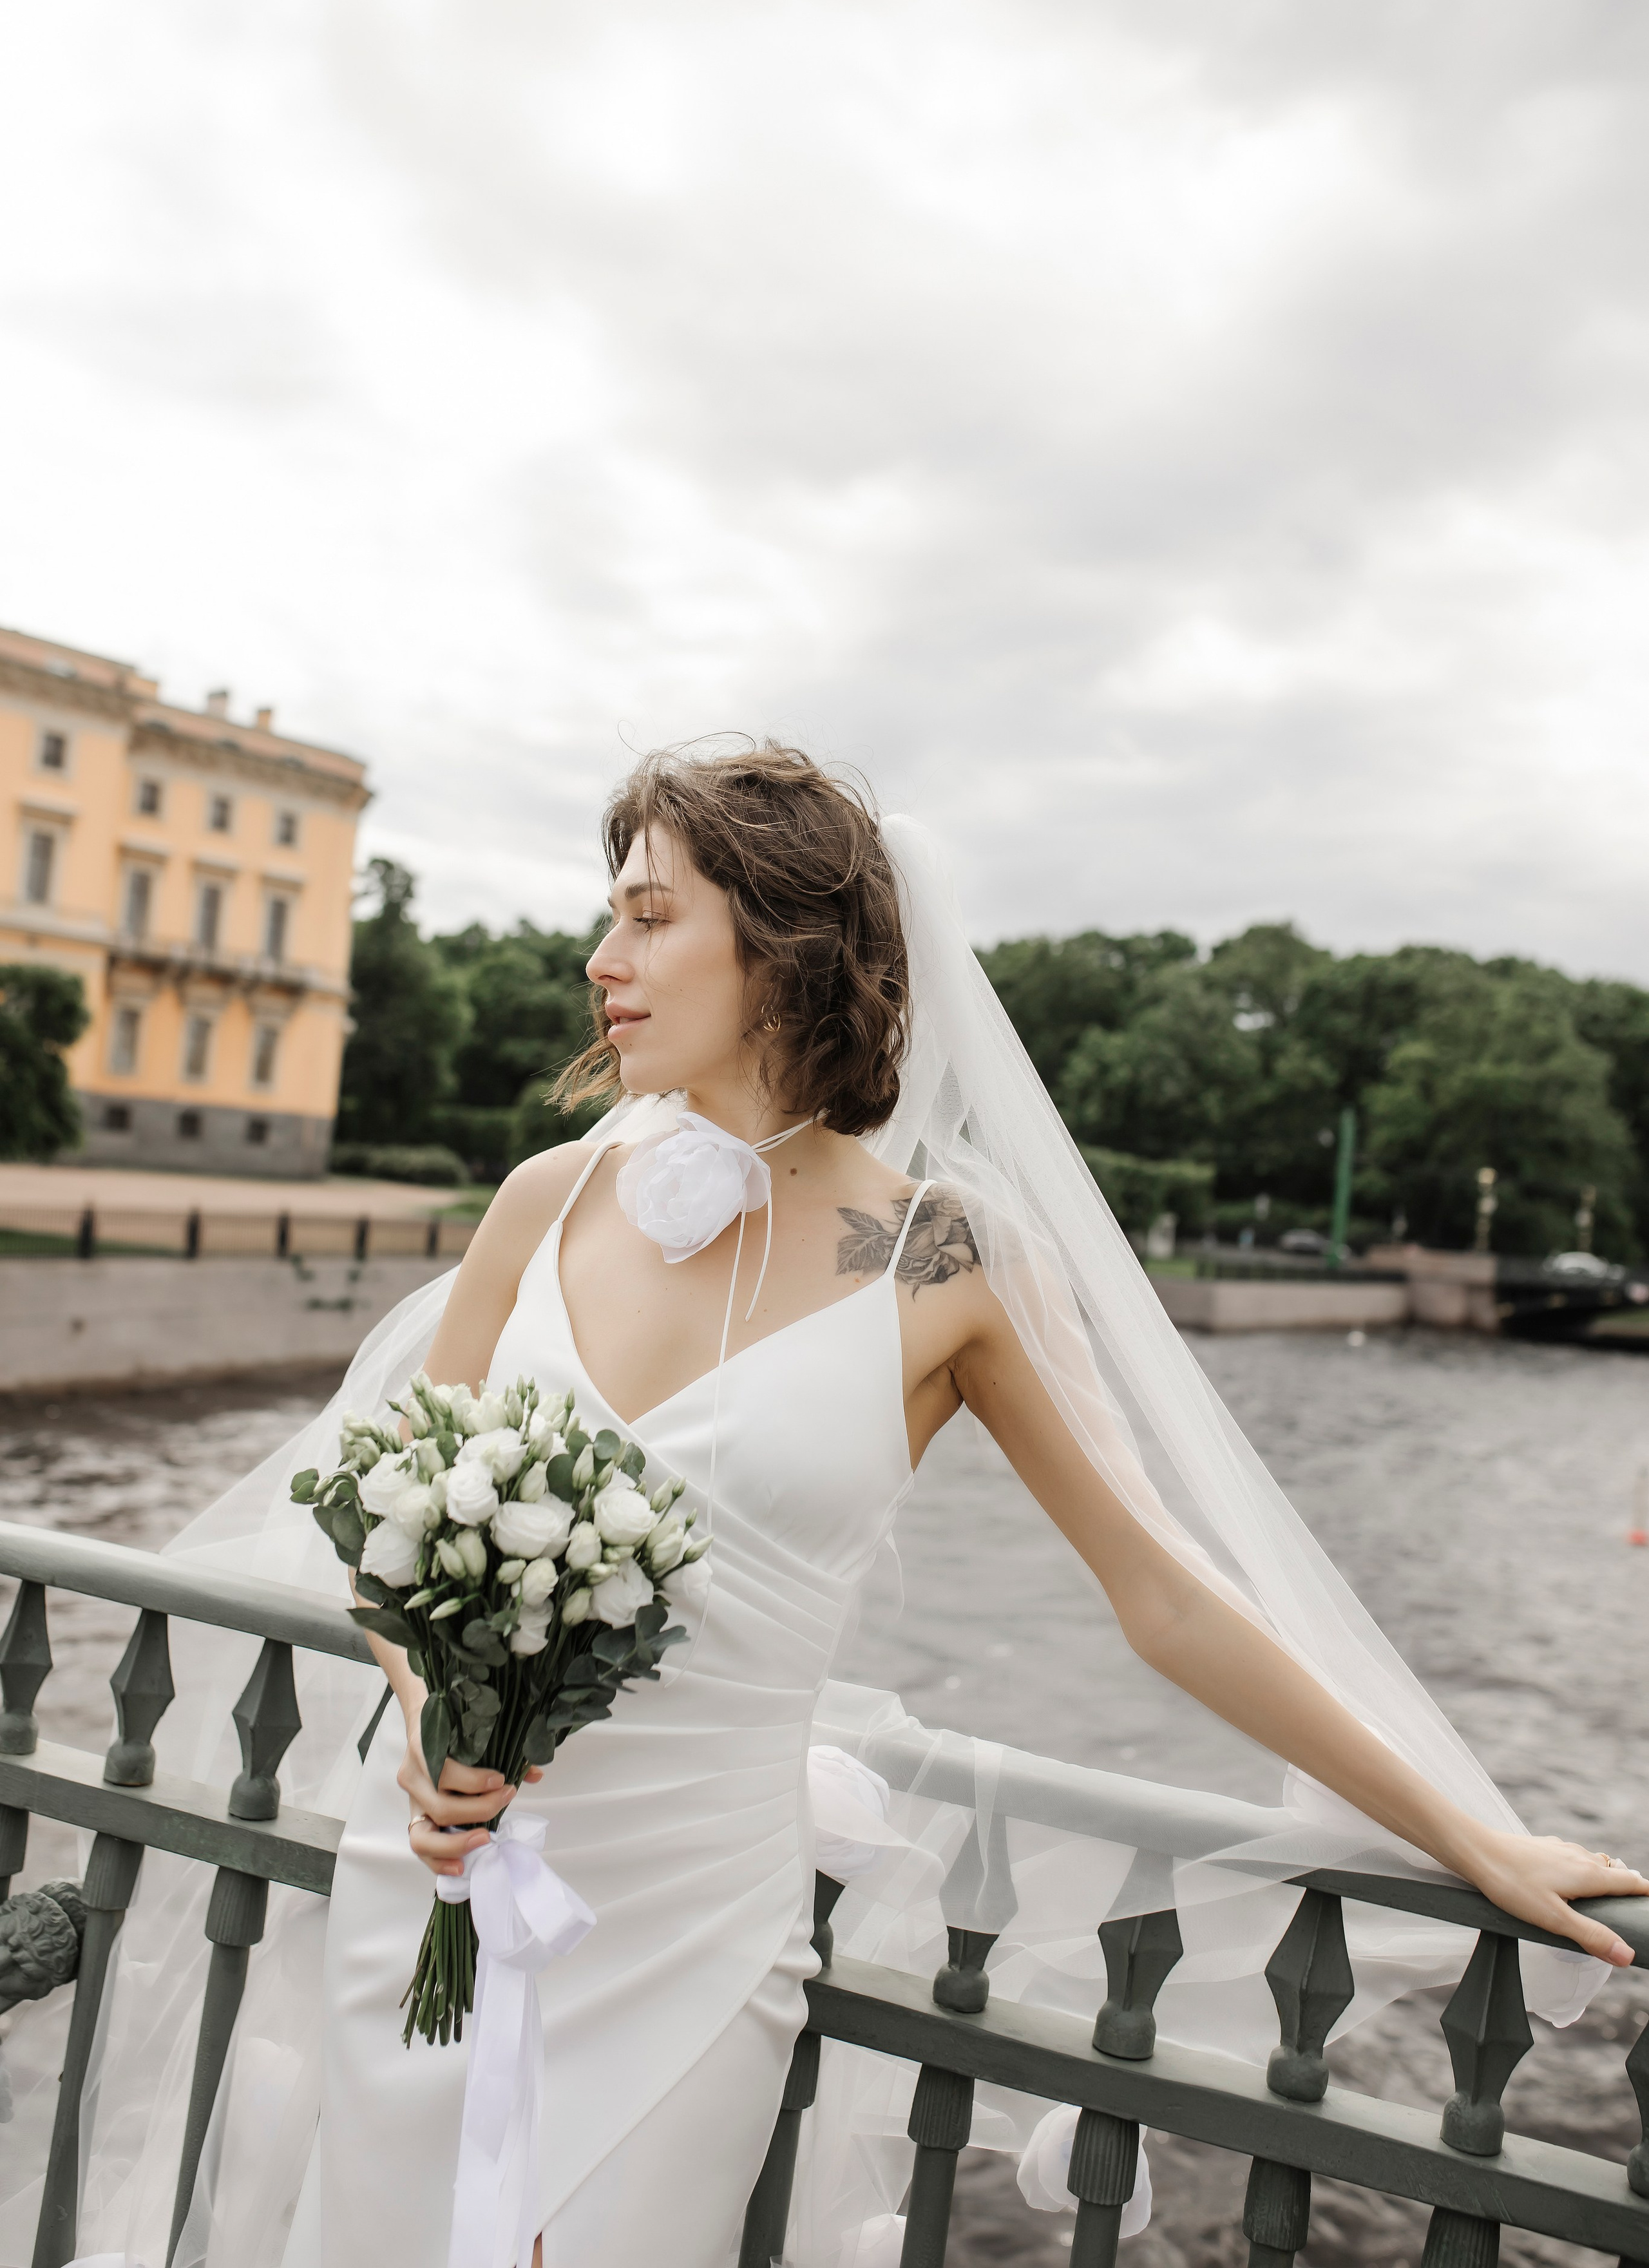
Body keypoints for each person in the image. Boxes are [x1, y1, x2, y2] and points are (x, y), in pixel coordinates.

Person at [52, 741, 1648, 2268]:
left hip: (688, 1920)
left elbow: (1158, 1592)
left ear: (790, 949)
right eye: (610, 906)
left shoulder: (945, 1261)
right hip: (445, 1882)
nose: (602, 952)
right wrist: (424, 1715)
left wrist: (1460, 1831)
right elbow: (382, 1523)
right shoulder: (545, 1200)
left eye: (650, 911)